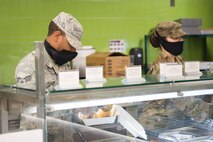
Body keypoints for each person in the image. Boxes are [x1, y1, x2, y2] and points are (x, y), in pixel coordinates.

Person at [138, 21, 213, 131]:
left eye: (181, 37)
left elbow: (188, 88)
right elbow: (181, 99)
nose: (180, 41)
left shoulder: (178, 59)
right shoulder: (162, 66)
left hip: (173, 120)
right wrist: (209, 111)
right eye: (175, 38)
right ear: (162, 40)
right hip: (156, 125)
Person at [15, 11, 83, 90]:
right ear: (57, 36)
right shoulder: (30, 66)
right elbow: (30, 100)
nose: (73, 49)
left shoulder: (64, 61)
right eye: (71, 44)